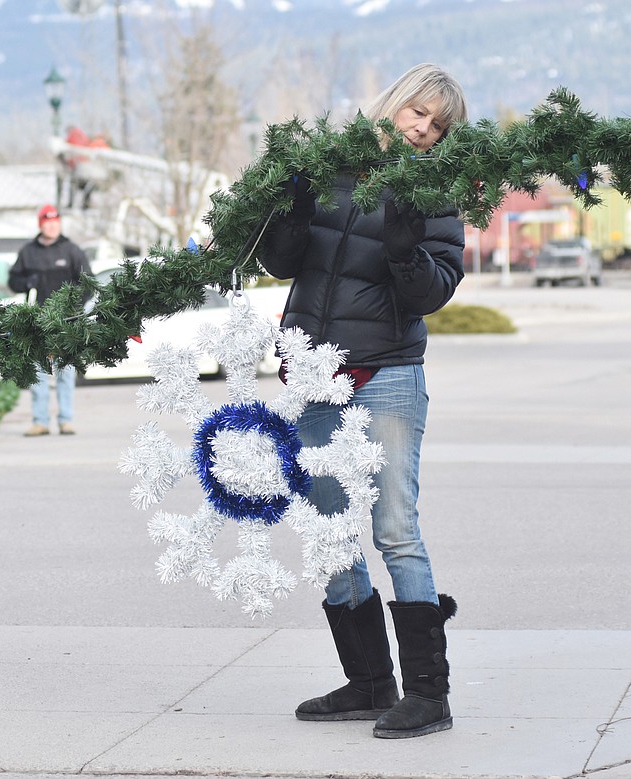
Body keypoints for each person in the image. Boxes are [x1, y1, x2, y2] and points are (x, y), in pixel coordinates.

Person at [259, 64, 468, 739]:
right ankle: (369, 681)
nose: (421, 128)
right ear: (395, 102)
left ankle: (429, 693)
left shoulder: (433, 190)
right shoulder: (330, 164)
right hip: (316, 373)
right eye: (418, 112)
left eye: (436, 125)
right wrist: (289, 212)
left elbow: (435, 289)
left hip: (387, 373)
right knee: (328, 531)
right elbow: (282, 262)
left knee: (394, 528)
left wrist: (408, 252)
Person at [7, 204, 93, 436]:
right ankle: (40, 421)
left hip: (67, 322)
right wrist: (27, 283)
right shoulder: (28, 252)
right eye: (47, 222)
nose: (52, 226)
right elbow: (13, 281)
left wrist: (74, 307)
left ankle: (66, 420)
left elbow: (89, 284)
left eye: (56, 222)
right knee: (38, 373)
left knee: (65, 372)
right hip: (37, 321)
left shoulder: (72, 251)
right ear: (40, 224)